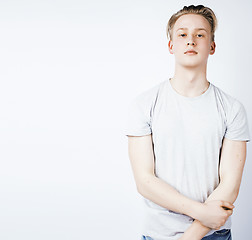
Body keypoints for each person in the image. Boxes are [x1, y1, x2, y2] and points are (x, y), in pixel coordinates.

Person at [125, 4, 250, 240]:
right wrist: (201, 212)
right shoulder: (143, 105)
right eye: (182, 34)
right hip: (157, 235)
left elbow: (230, 185)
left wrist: (191, 235)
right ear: (171, 45)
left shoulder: (232, 109)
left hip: (215, 235)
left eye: (200, 34)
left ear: (212, 46)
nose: (190, 40)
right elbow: (145, 181)